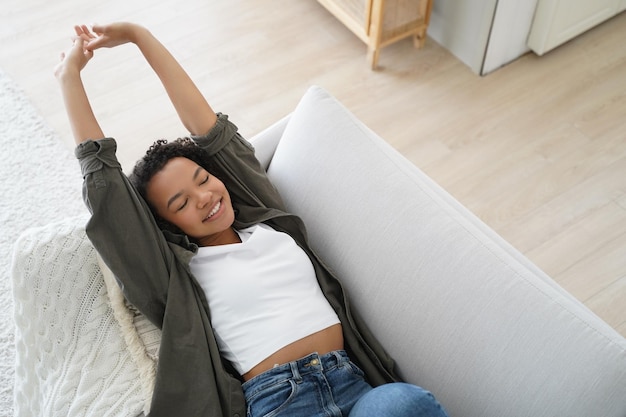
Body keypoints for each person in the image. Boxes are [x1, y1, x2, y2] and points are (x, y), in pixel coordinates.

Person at [55, 22, 450, 417]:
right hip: (282, 401)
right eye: (182, 203)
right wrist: (70, 78)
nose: (205, 197)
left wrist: (140, 36)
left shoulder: (265, 217)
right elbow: (109, 196)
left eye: (203, 179)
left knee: (406, 401)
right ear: (170, 226)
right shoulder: (179, 277)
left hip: (353, 383)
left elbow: (208, 129)